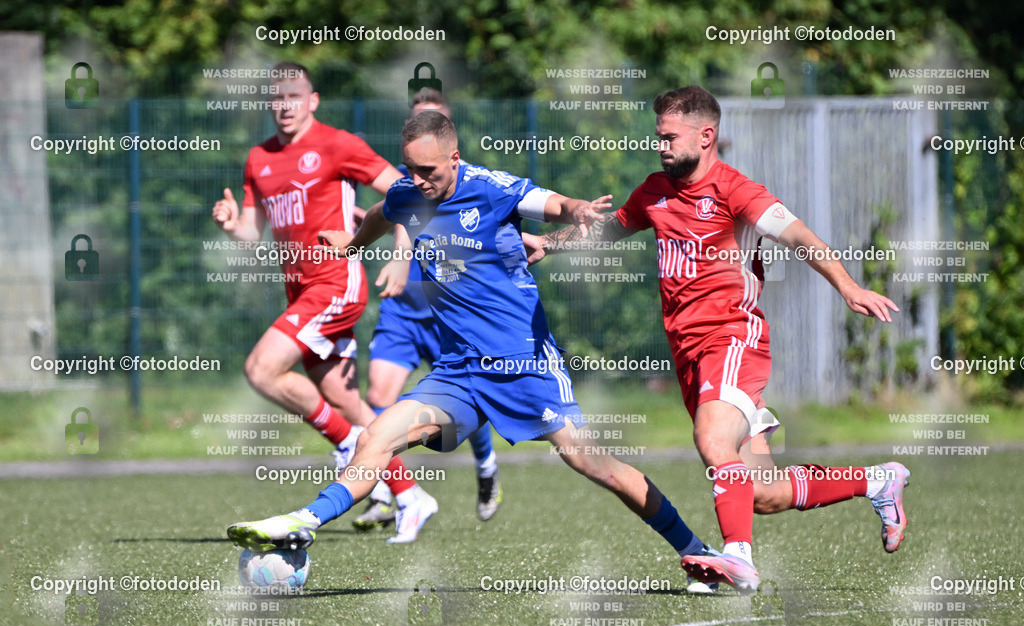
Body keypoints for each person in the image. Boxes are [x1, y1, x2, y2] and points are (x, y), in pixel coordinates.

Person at [227, 111, 720, 582]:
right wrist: (354, 245)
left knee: (595, 465)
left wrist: (577, 209)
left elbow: (548, 203)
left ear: (455, 158)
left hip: (523, 365)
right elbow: (383, 210)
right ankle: (304, 521)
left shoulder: (489, 189)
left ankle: (697, 551)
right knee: (376, 436)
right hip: (459, 373)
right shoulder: (409, 193)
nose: (418, 181)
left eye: (429, 171)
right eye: (411, 170)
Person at [524, 85, 910, 592]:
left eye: (669, 137)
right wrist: (548, 243)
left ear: (706, 136)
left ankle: (738, 558)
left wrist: (848, 286)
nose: (660, 146)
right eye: (657, 136)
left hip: (731, 338)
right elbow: (614, 228)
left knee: (710, 440)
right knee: (763, 492)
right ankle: (878, 480)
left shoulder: (736, 191)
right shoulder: (654, 190)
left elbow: (798, 236)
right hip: (689, 353)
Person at [211, 62, 437, 543]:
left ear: (312, 100)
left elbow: (405, 193)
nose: (285, 105)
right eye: (277, 97)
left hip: (335, 285)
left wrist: (400, 254)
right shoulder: (259, 158)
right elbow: (252, 231)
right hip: (301, 291)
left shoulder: (338, 145)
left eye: (295, 96)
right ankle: (410, 494)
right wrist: (232, 224)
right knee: (346, 402)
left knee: (261, 369)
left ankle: (344, 444)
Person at [352, 89, 503, 532]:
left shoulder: (466, 188)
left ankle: (486, 463)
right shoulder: (404, 182)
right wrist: (364, 229)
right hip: (401, 311)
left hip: (447, 315)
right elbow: (391, 215)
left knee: (462, 407)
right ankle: (388, 491)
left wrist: (405, 249)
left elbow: (421, 234)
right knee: (378, 397)